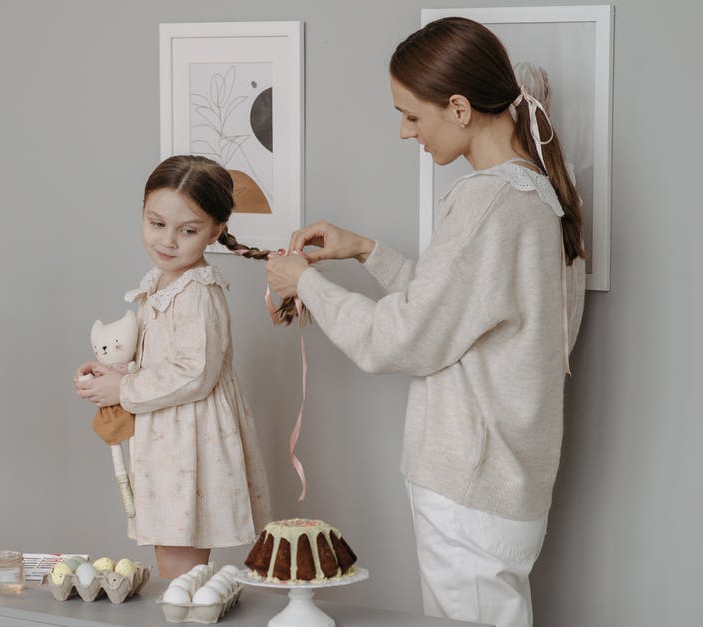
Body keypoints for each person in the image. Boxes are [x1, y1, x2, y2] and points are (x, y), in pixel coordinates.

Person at [265, 17, 586, 627]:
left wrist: (303, 281)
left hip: (469, 485)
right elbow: (461, 311)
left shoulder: (488, 200)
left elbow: (403, 338)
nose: (404, 131)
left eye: (412, 115)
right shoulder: (536, 195)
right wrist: (365, 250)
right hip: (506, 485)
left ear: (460, 108)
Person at [74, 155, 272, 579]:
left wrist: (123, 392)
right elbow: (160, 357)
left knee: (179, 558)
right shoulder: (163, 281)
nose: (167, 241)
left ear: (216, 230)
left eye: (188, 230)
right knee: (171, 552)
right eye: (156, 223)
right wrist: (114, 374)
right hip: (167, 431)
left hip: (189, 438)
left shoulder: (199, 292)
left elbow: (194, 373)